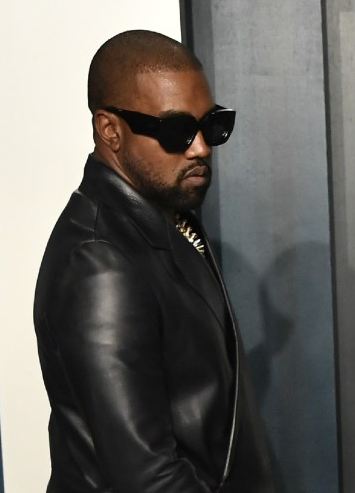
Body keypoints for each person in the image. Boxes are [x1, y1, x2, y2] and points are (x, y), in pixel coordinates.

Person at [33, 30, 273, 492]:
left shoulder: (164, 215)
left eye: (212, 125)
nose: (201, 146)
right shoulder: (99, 263)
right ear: (110, 130)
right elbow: (149, 479)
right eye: (177, 130)